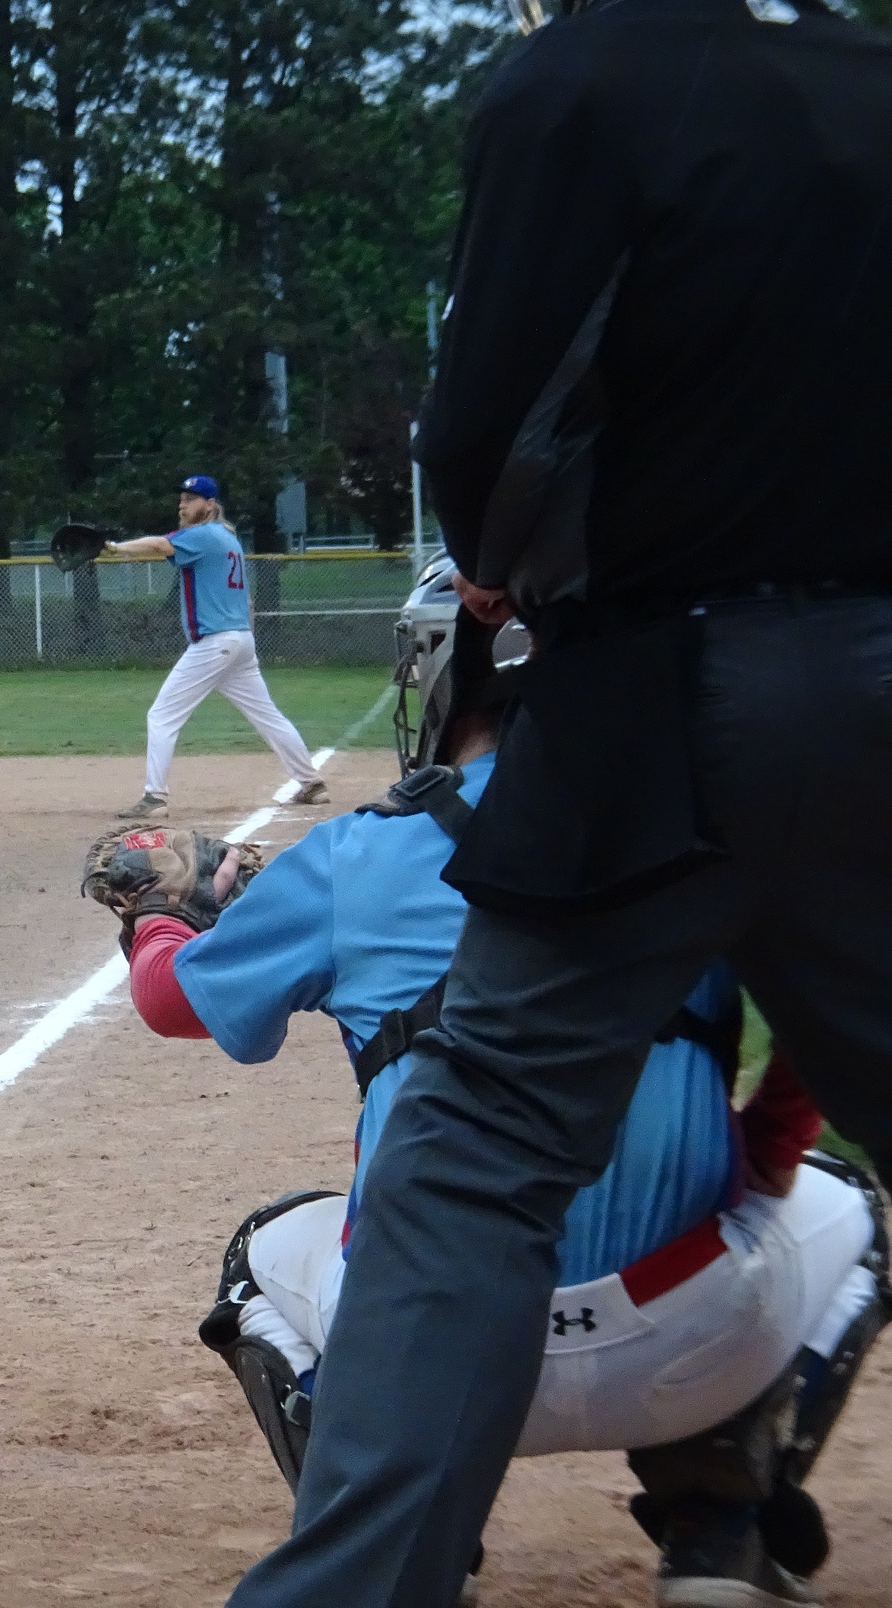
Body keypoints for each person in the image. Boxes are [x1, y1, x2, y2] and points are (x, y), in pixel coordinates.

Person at [220, 1, 892, 1602]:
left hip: (657, 689)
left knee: (477, 1145)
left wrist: (511, 559)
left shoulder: (588, 74)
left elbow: (485, 425)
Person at [102, 588, 886, 1603]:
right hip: (693, 1330)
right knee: (852, 1208)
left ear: (443, 682)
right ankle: (720, 1530)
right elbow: (828, 1024)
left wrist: (158, 916)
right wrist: (763, 1161)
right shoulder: (722, 826)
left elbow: (170, 1002)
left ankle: (401, 1550)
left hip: (431, 1350)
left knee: (261, 1257)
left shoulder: (358, 852)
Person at [101, 476, 326, 820]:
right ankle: (311, 783)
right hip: (239, 640)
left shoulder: (203, 535)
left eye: (191, 499)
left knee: (162, 715)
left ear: (209, 505)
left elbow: (160, 546)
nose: (182, 505)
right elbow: (245, 597)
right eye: (182, 499)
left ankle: (155, 796)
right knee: (267, 715)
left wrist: (115, 548)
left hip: (216, 642)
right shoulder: (227, 538)